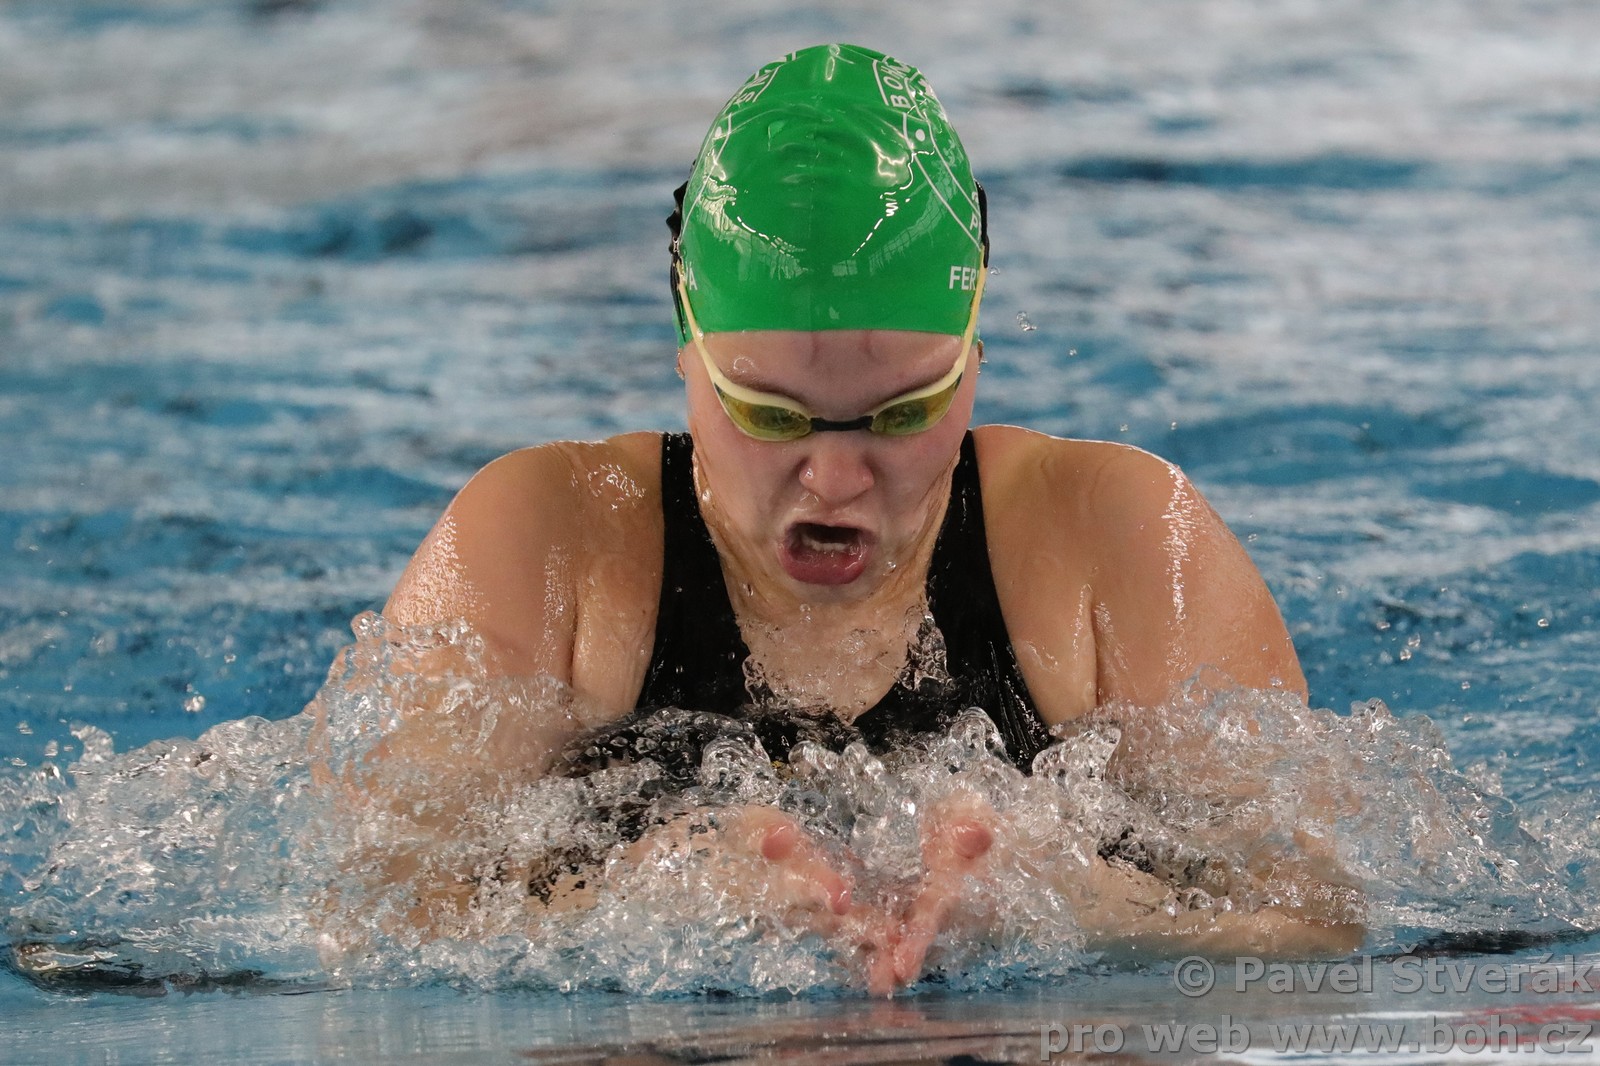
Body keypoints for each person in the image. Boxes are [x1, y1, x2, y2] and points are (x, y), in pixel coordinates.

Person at [327, 43, 1361, 993]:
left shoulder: (1121, 542)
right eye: (768, 413)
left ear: (974, 345)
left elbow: (1322, 923)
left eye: (903, 412)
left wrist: (1082, 907)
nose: (832, 478)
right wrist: (632, 907)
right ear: (686, 339)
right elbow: (357, 925)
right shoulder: (543, 545)